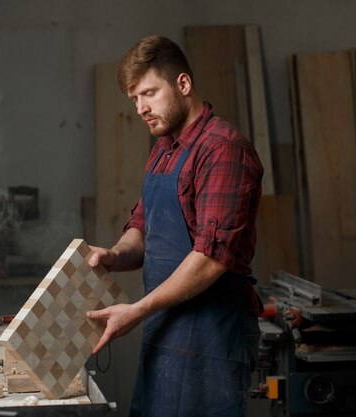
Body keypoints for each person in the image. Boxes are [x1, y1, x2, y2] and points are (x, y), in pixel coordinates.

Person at [86, 35, 264, 417]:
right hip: (165, 328)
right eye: (134, 99)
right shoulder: (164, 148)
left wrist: (136, 310)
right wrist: (114, 256)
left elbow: (212, 259)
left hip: (211, 336)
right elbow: (142, 227)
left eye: (149, 93)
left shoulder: (223, 148)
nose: (141, 108)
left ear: (183, 84)